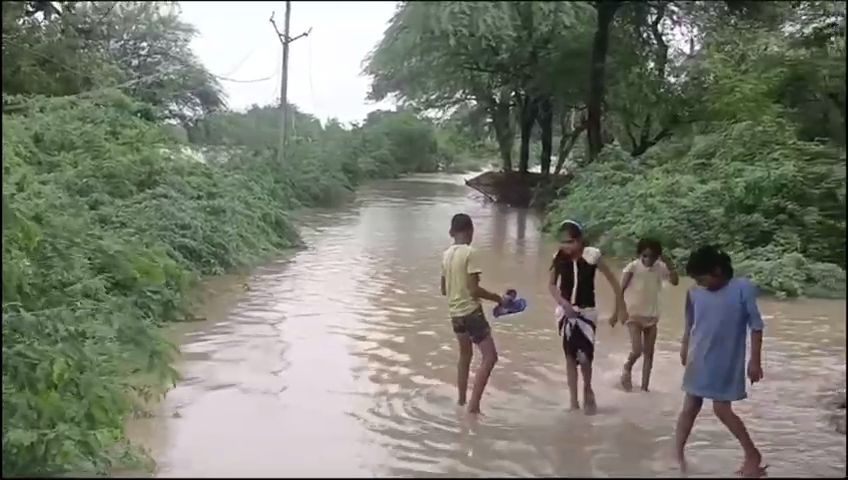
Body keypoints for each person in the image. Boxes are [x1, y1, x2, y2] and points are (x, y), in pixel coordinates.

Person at [674, 246, 766, 478]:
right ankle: (677, 455)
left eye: (702, 278)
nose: (700, 283)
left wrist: (755, 361)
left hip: (726, 358)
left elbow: (756, 325)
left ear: (717, 270)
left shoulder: (742, 288)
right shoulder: (694, 292)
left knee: (721, 409)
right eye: (696, 279)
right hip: (699, 355)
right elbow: (689, 322)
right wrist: (685, 346)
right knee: (689, 407)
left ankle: (752, 453)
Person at [548, 220, 626, 415]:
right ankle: (573, 402)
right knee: (569, 357)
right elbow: (551, 285)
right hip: (566, 314)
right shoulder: (558, 258)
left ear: (580, 241)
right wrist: (563, 303)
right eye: (563, 242)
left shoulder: (592, 256)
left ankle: (588, 388)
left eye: (570, 242)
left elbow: (615, 283)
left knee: (585, 357)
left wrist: (619, 310)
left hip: (587, 314)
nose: (567, 246)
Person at [440, 213, 503, 415]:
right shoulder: (470, 252)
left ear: (452, 232)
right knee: (490, 357)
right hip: (471, 312)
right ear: (470, 231)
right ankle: (473, 407)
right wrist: (499, 299)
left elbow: (443, 290)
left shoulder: (446, 255)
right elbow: (474, 289)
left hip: (455, 314)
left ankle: (461, 401)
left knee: (465, 355)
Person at [619, 238, 679, 392]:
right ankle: (627, 367)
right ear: (640, 254)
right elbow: (620, 290)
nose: (648, 260)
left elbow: (675, 281)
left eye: (652, 256)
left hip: (652, 317)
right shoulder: (632, 268)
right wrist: (620, 310)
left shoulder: (660, 267)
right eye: (645, 256)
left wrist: (670, 265)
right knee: (637, 350)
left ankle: (645, 389)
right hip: (634, 315)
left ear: (657, 256)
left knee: (649, 354)